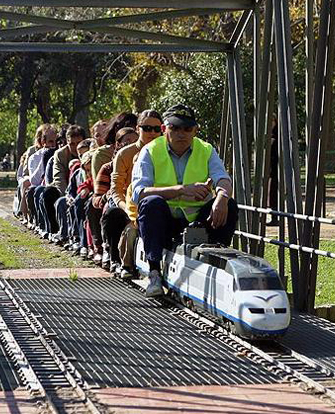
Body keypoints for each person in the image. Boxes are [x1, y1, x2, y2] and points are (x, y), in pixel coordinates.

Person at [131, 104, 238, 297]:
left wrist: (221, 197)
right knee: (150, 203)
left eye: (187, 129)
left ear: (195, 130)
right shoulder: (150, 151)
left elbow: (222, 178)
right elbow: (139, 193)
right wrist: (181, 191)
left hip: (198, 219)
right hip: (165, 221)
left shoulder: (206, 150)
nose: (182, 134)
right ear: (164, 129)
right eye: (175, 128)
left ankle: (216, 262)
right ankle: (154, 272)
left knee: (229, 205)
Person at [108, 109, 163, 276]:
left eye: (156, 129)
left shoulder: (167, 152)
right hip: (129, 204)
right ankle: (118, 260)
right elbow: (116, 189)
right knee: (113, 215)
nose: (152, 133)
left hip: (158, 203)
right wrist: (128, 209)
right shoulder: (125, 154)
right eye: (147, 128)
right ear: (138, 128)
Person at [91, 127, 139, 269]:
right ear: (118, 144)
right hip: (119, 205)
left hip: (136, 205)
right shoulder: (107, 169)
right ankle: (112, 254)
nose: (131, 144)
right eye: (127, 141)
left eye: (135, 141)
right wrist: (112, 196)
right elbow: (96, 199)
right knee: (113, 212)